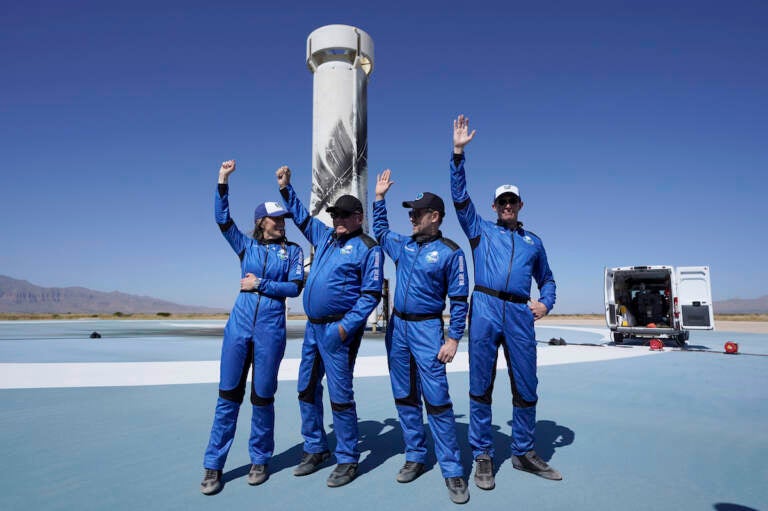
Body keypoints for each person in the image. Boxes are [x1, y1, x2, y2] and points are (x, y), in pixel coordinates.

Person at [449, 115, 562, 489]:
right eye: (502, 201)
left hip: (518, 312)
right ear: (495, 205)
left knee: (526, 383)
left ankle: (524, 451)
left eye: (512, 200)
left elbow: (547, 280)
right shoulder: (480, 229)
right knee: (481, 384)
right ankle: (483, 454)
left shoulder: (534, 242)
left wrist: (545, 303)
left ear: (520, 204)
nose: (507, 205)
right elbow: (460, 199)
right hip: (483, 308)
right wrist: (458, 154)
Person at [201, 160, 305, 495]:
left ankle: (260, 459)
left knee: (263, 398)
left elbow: (294, 288)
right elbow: (221, 219)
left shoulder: (293, 252)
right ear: (262, 222)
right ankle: (213, 466)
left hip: (271, 332)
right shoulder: (245, 245)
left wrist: (260, 284)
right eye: (276, 219)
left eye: (283, 219)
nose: (281, 224)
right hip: (238, 330)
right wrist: (222, 181)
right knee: (228, 397)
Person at [277, 165, 383, 488]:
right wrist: (285, 189)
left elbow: (371, 295)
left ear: (358, 217)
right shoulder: (325, 238)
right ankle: (314, 448)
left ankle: (348, 458)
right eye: (335, 215)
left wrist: (345, 329)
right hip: (313, 329)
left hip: (339, 331)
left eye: (343, 215)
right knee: (306, 388)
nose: (337, 219)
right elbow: (300, 217)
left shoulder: (368, 248)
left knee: (340, 395)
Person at [372, 169, 470, 504]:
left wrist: (454, 338)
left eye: (416, 214)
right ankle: (415, 455)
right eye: (410, 214)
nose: (411, 218)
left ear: (435, 217)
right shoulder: (403, 245)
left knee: (437, 399)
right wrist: (379, 199)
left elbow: (459, 300)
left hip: (428, 329)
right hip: (397, 328)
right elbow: (382, 232)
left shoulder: (450, 252)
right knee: (404, 394)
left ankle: (453, 470)